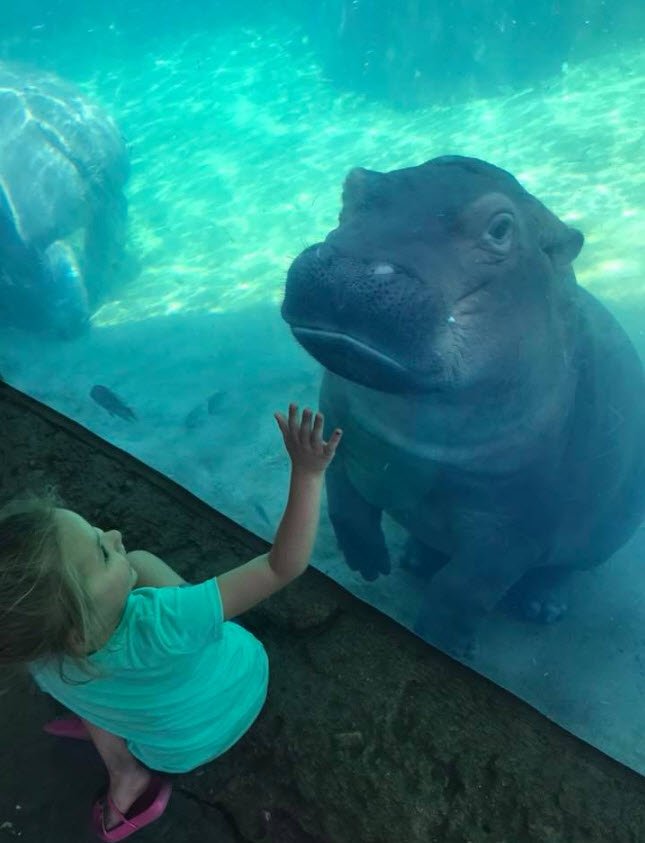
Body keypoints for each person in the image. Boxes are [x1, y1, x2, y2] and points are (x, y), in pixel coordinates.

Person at [0, 404, 342, 842]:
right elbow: (282, 567)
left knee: (89, 688)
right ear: (79, 625)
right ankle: (124, 746)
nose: (114, 535)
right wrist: (309, 475)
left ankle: (125, 773)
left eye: (96, 529)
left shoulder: (40, 655)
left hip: (172, 752)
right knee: (142, 563)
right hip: (245, 684)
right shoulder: (167, 620)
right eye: (103, 553)